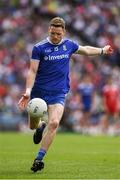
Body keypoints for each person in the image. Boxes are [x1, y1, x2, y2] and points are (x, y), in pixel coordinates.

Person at [18, 17, 113, 172]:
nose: (56, 36)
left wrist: (102, 50)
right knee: (32, 126)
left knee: (54, 123)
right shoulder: (39, 48)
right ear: (49, 29)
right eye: (53, 33)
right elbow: (32, 70)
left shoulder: (68, 45)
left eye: (59, 34)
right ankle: (40, 126)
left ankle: (38, 159)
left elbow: (86, 50)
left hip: (58, 92)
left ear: (64, 32)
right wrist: (28, 92)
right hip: (39, 92)